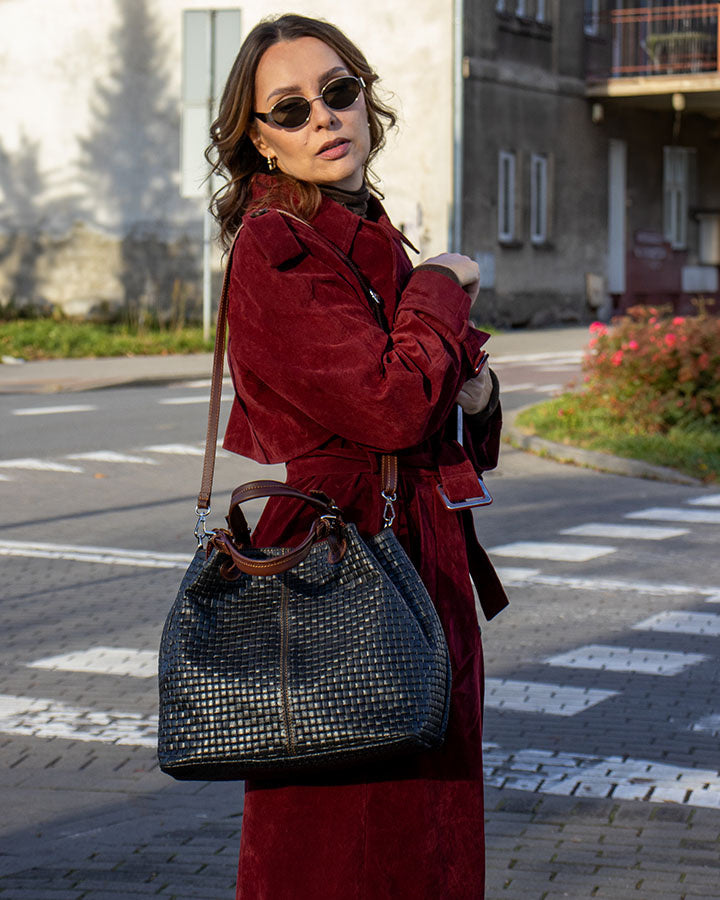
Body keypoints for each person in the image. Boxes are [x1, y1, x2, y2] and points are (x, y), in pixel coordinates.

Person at [206, 13, 508, 899]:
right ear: (258, 139)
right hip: (340, 562)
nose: (324, 119)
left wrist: (480, 396)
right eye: (290, 110)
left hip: (415, 551)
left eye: (338, 93)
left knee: (426, 844)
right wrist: (444, 287)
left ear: (367, 100)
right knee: (342, 848)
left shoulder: (367, 230)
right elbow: (388, 402)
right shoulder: (277, 247)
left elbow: (432, 413)